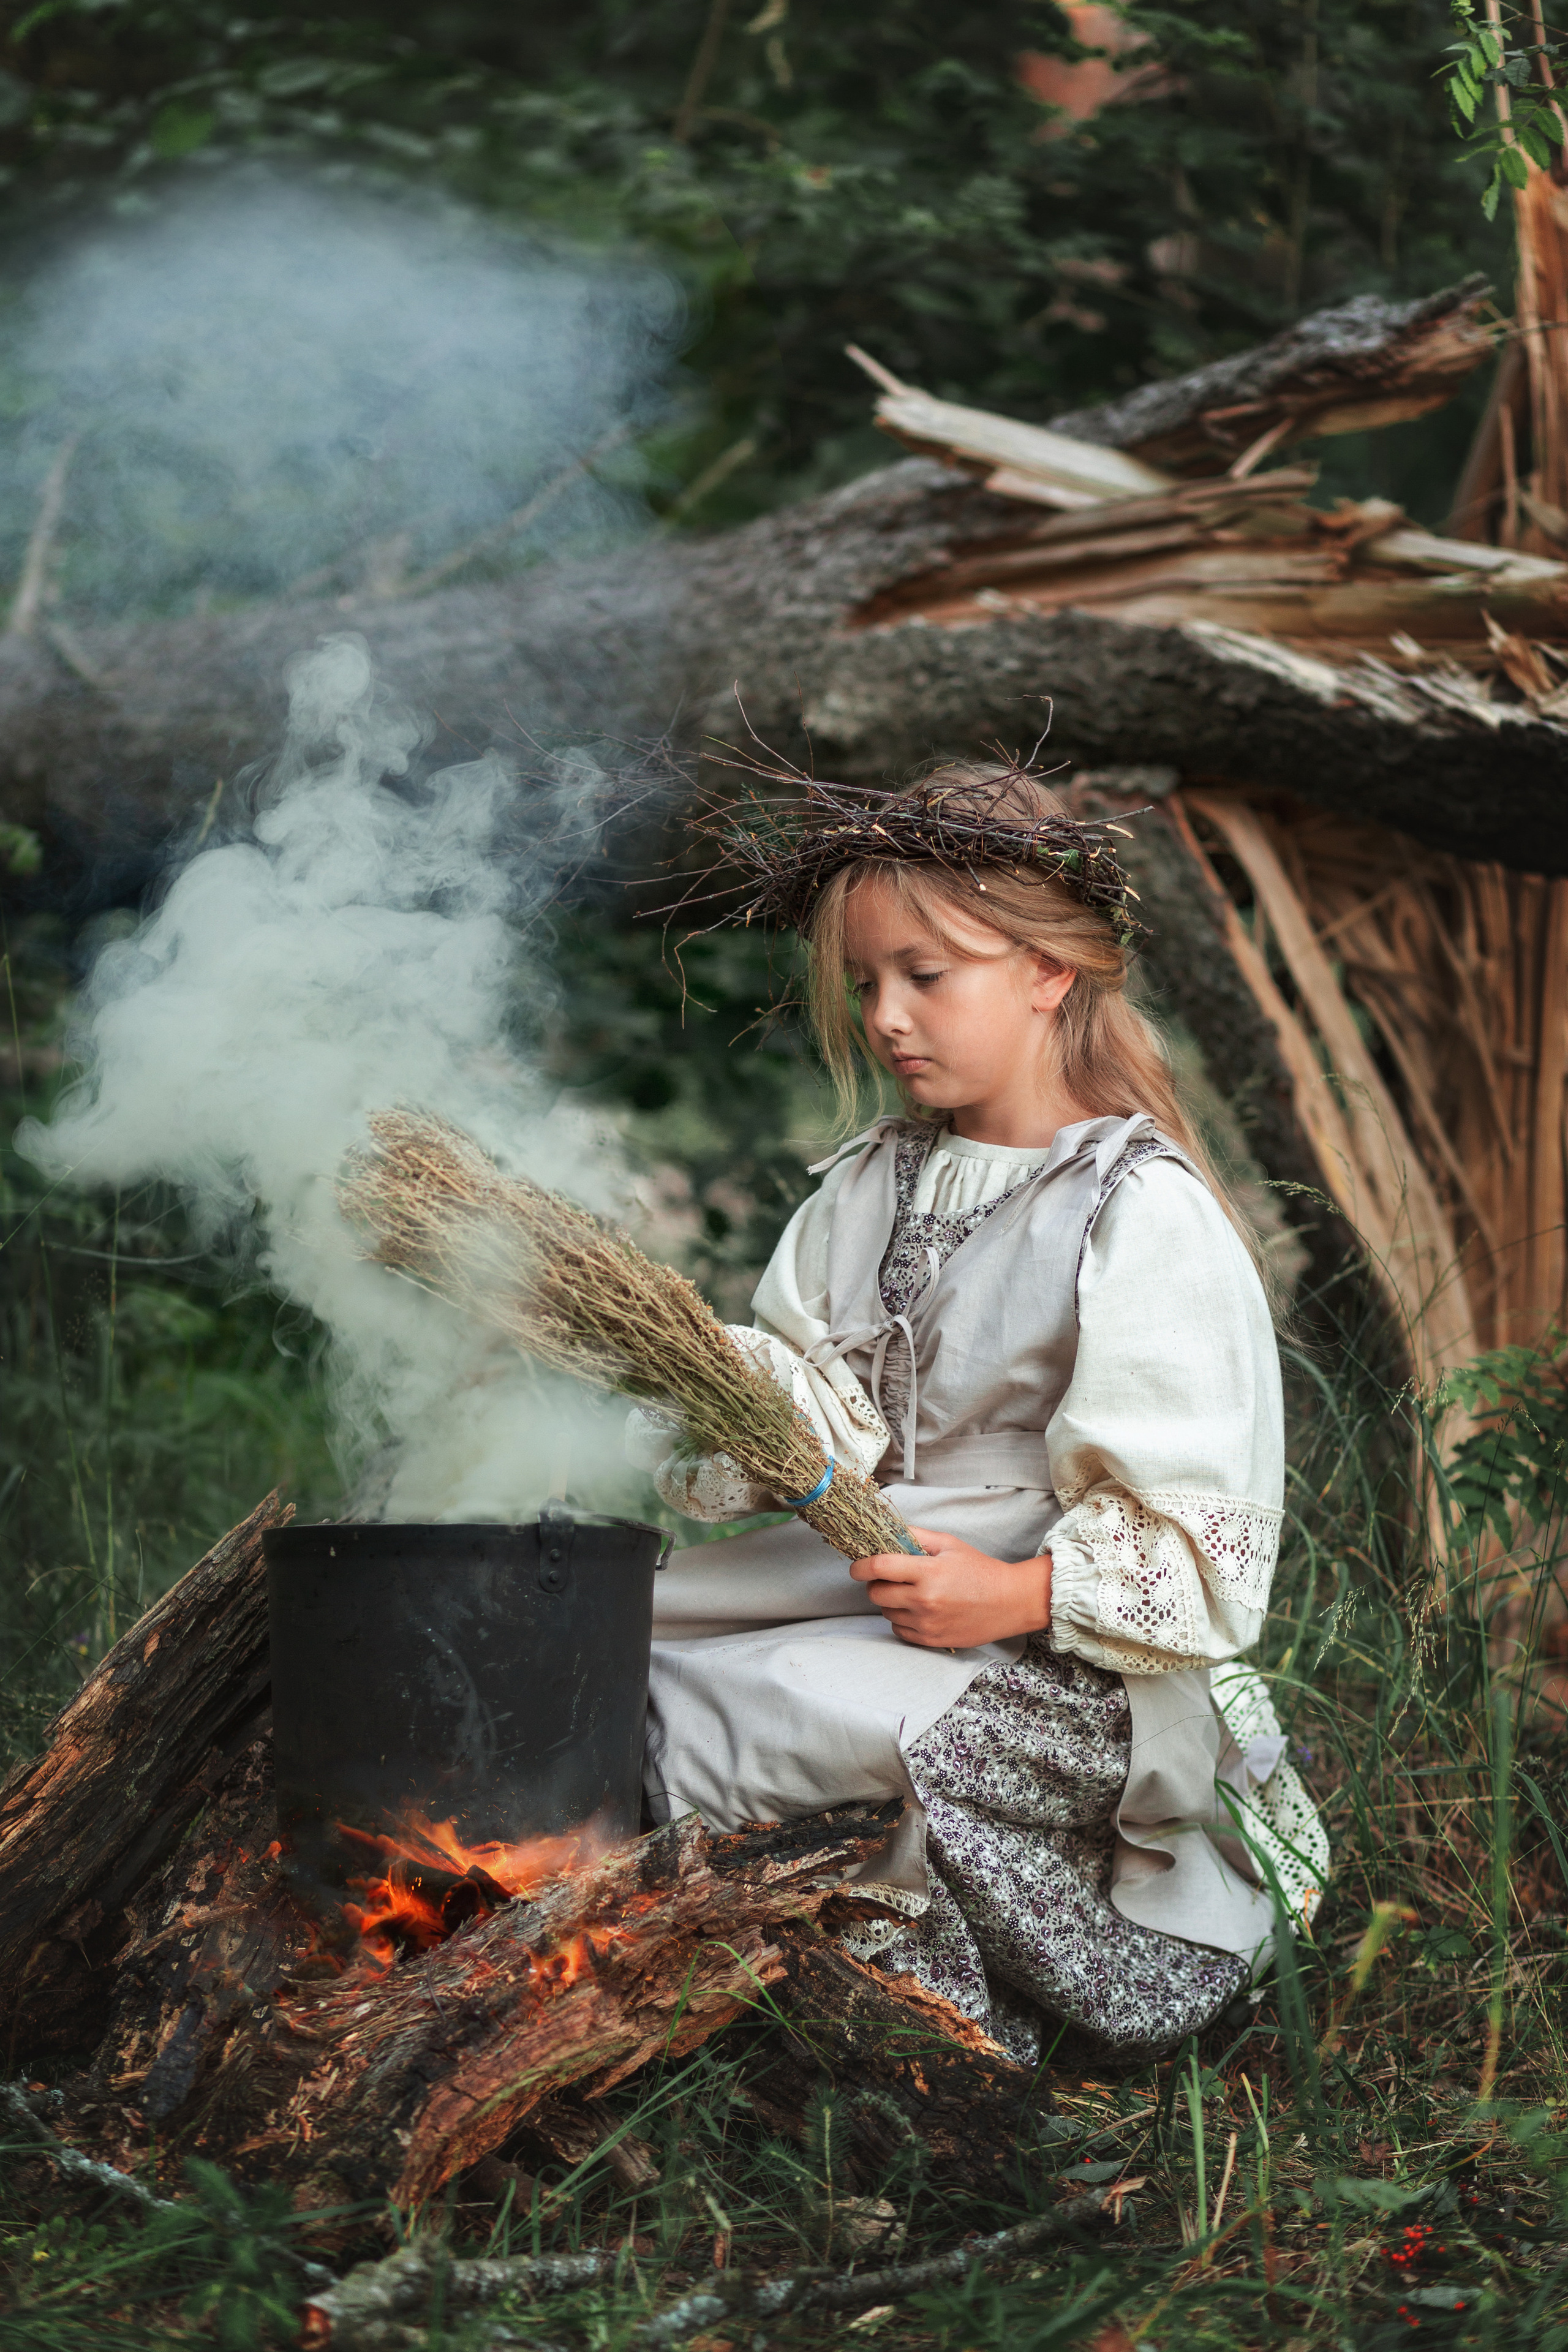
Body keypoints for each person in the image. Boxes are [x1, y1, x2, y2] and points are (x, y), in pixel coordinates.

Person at [628, 761, 1327, 2064]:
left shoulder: (1137, 1209)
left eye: (924, 975)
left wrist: (1012, 1600)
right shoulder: (858, 1190)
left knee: (799, 1708)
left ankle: (928, 2040)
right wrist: (721, 1388)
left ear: (1047, 971)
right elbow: (804, 1407)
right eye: (864, 986)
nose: (888, 1018)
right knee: (610, 1667)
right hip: (850, 1582)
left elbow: (1202, 1543)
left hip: (1061, 1669)